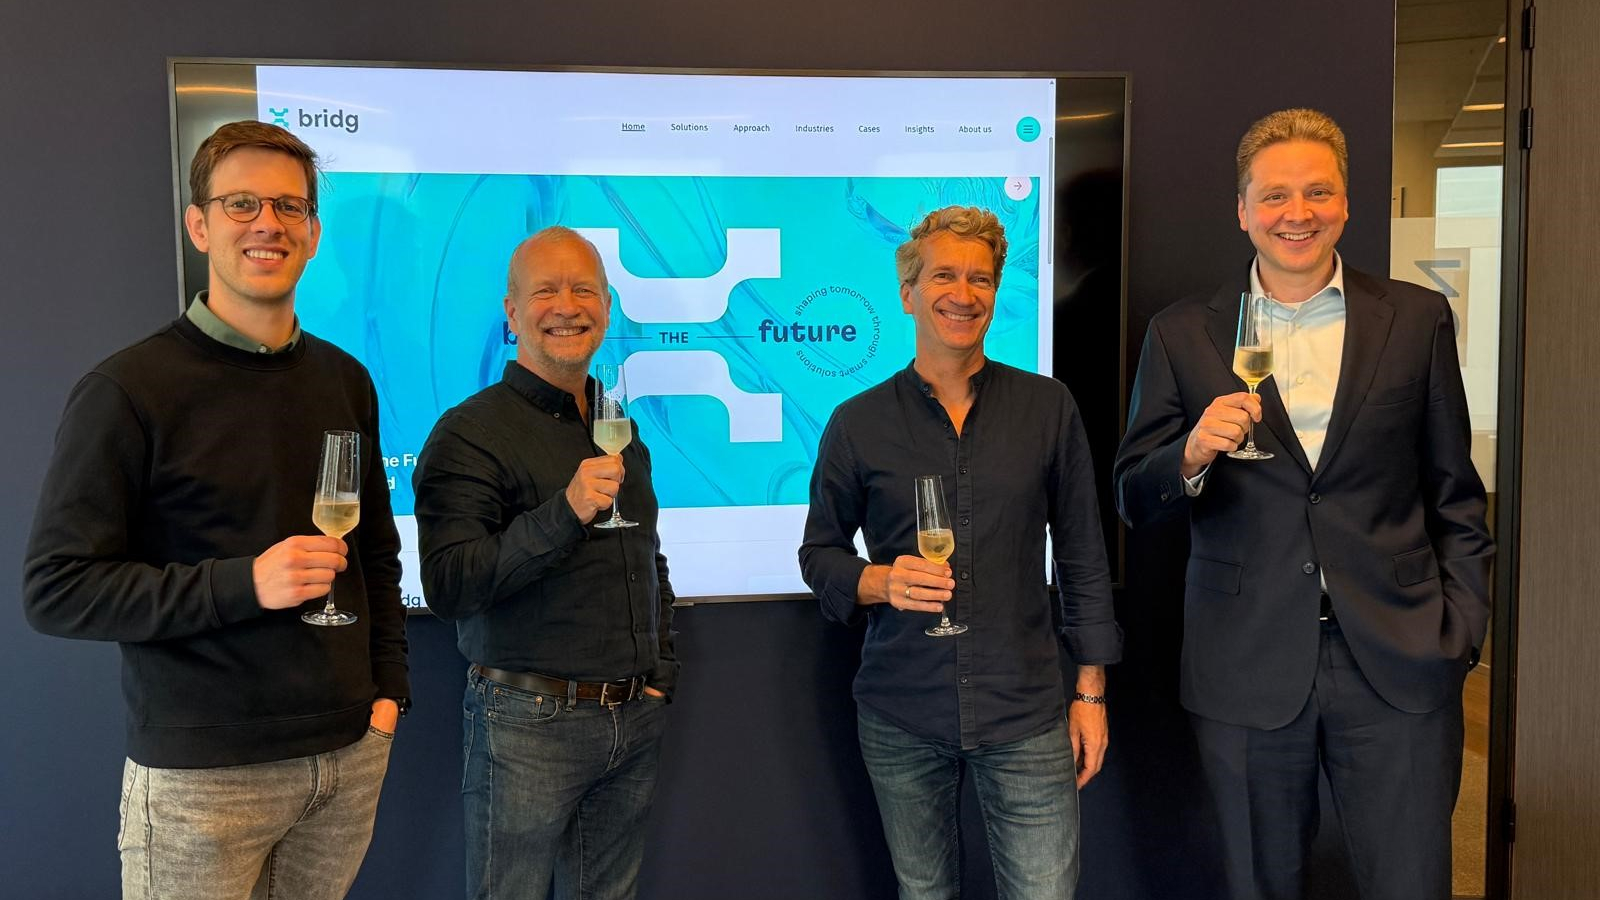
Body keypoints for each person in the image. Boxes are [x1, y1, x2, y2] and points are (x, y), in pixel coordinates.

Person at [23, 120, 410, 900]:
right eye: (242, 204)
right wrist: (246, 584)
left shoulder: (345, 379)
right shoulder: (127, 391)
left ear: (313, 233)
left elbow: (375, 553)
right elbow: (57, 589)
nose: (268, 223)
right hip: (203, 777)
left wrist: (387, 699)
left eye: (289, 206)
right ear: (199, 226)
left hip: (346, 759)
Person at [1113, 108, 1492, 900]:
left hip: (1398, 655)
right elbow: (1133, 496)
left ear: (1345, 203)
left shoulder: (1416, 319)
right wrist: (1190, 455)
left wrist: (1458, 632)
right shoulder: (1184, 334)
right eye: (1275, 195)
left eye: (1318, 192)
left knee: (1412, 882)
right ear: (1243, 210)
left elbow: (1454, 492)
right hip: (1243, 660)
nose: (1298, 213)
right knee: (1258, 883)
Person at [800, 205, 1122, 900]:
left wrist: (1090, 692)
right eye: (944, 275)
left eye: (981, 279)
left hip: (1025, 712)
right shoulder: (857, 423)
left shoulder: (1048, 407)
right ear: (908, 293)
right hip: (901, 711)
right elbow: (819, 553)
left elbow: (1083, 556)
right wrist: (880, 581)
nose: (964, 294)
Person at [413, 226, 677, 900]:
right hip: (526, 725)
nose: (567, 306)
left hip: (632, 718)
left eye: (584, 290)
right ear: (512, 312)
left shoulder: (617, 425)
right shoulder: (469, 433)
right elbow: (449, 585)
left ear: (607, 308)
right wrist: (565, 512)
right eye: (546, 291)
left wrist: (660, 671)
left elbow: (646, 556)